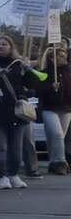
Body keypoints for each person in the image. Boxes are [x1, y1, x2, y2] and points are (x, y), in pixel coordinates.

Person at [0, 35, 38, 189]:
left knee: (16, 147)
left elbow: (31, 85)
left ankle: (14, 174)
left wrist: (28, 69)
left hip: (16, 111)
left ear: (11, 47)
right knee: (0, 146)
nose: (1, 46)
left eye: (4, 44)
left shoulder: (18, 64)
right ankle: (3, 176)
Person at [38, 45, 71, 175]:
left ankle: (52, 162)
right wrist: (51, 88)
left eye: (64, 55)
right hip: (49, 108)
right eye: (60, 56)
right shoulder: (45, 72)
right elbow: (38, 90)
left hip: (66, 108)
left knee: (57, 137)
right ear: (52, 59)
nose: (64, 58)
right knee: (57, 134)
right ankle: (61, 163)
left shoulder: (69, 72)